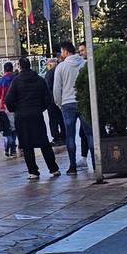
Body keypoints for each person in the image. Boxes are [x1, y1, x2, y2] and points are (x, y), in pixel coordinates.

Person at [4, 57, 60, 180]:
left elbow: (8, 100)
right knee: (44, 142)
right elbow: (47, 99)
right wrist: (40, 109)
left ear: (20, 66)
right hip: (36, 114)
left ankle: (33, 171)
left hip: (22, 116)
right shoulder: (39, 80)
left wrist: (15, 109)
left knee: (26, 144)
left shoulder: (16, 81)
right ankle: (54, 168)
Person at [53, 42, 94, 174]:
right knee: (90, 134)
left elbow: (56, 88)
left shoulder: (61, 67)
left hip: (67, 103)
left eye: (61, 51)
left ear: (65, 51)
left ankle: (72, 166)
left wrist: (59, 103)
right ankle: (95, 162)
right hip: (83, 101)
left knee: (70, 136)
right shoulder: (85, 64)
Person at [0, 62, 18, 158]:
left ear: (4, 70)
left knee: (6, 130)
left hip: (4, 107)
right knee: (14, 129)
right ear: (12, 69)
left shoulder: (2, 81)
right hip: (15, 107)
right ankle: (13, 149)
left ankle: (6, 148)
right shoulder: (16, 79)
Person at [43, 58, 65, 145]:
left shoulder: (50, 73)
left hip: (51, 100)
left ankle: (56, 137)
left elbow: (47, 87)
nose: (47, 67)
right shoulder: (61, 70)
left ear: (51, 64)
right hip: (61, 98)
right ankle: (64, 136)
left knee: (53, 120)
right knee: (61, 119)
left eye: (47, 65)